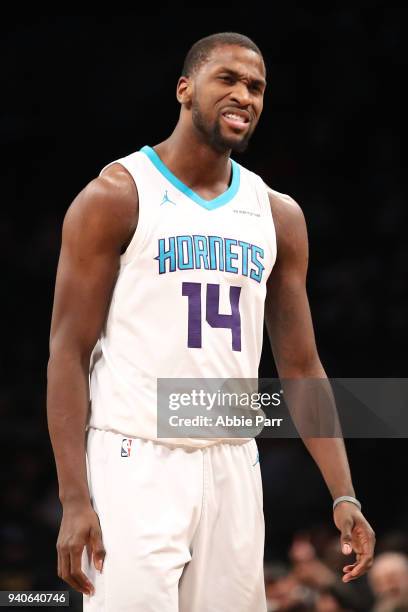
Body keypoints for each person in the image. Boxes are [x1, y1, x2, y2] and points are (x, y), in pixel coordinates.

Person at [46, 31, 376, 612]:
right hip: (134, 453)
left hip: (232, 458)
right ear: (185, 89)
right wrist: (75, 498)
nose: (244, 95)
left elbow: (301, 366)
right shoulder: (117, 195)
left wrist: (342, 493)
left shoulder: (277, 214)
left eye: (256, 87)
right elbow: (68, 352)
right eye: (228, 79)